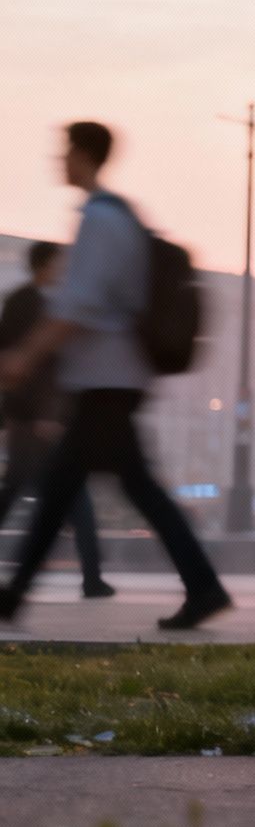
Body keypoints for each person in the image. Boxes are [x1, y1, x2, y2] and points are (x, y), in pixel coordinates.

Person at [0, 123, 230, 630]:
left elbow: (79, 306)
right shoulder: (116, 217)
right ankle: (14, 595)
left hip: (107, 378)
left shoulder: (101, 221)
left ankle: (14, 595)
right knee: (88, 487)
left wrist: (25, 356)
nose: (58, 160)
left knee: (83, 487)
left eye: (64, 151)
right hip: (111, 378)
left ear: (83, 156)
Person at [0, 242, 112, 600]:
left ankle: (93, 577)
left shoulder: (25, 301)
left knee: (43, 493)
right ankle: (92, 577)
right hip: (37, 420)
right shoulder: (32, 304)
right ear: (45, 265)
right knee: (70, 496)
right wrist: (44, 414)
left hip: (33, 418)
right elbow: (30, 364)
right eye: (59, 263)